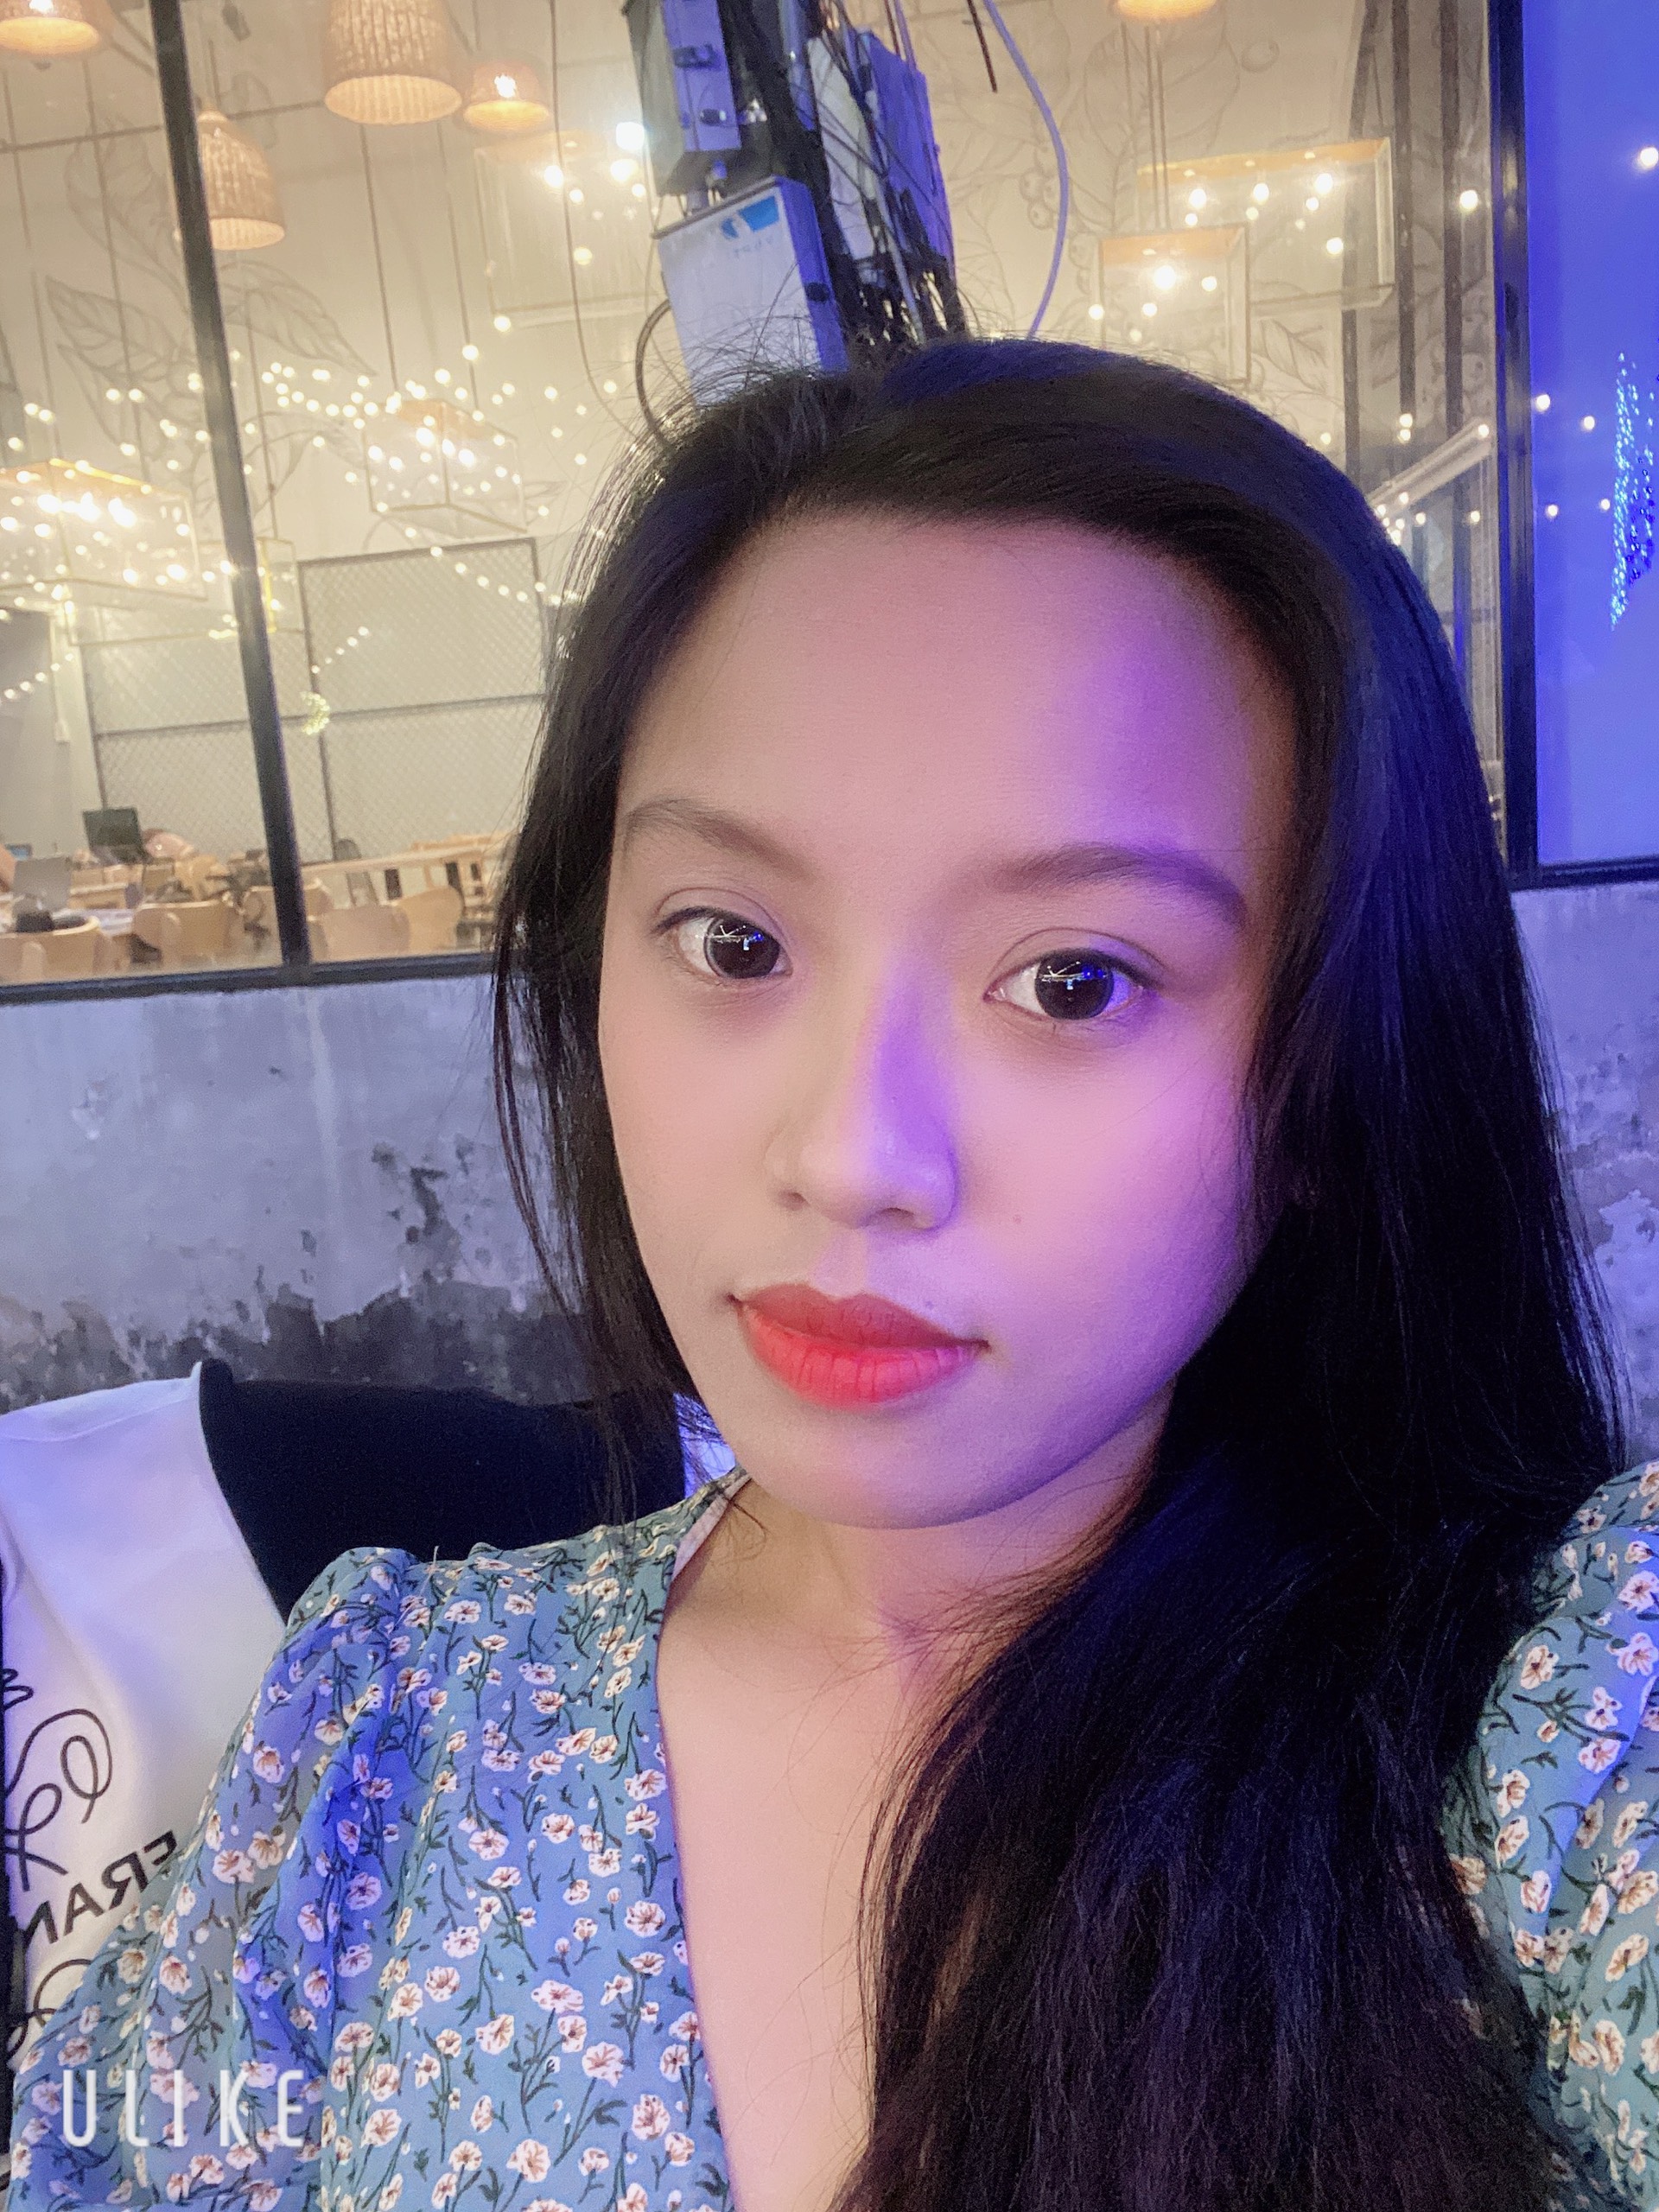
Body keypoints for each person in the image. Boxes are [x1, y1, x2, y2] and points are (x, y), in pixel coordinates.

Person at [4, 336, 1647, 2212]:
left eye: (1075, 981)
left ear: (1335, 1077)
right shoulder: (386, 1738)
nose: (854, 1153)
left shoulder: (1559, 1730)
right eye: (732, 941)